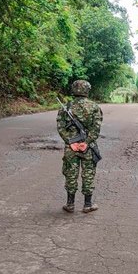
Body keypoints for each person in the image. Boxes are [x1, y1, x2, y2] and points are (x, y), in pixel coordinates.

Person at [56, 80, 103, 213]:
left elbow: (60, 128)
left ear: (74, 90)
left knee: (71, 173)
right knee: (88, 174)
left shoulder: (66, 106)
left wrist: (71, 142)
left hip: (71, 147)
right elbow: (96, 128)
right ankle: (88, 205)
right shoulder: (94, 107)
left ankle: (70, 204)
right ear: (87, 90)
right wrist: (86, 142)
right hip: (88, 146)